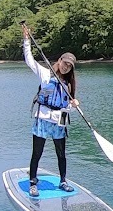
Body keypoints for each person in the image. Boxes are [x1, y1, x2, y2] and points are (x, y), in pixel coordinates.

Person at [22, 24, 79, 197]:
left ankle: (63, 181)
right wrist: (26, 40)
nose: (66, 67)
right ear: (59, 61)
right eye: (64, 64)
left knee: (61, 154)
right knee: (37, 153)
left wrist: (73, 105)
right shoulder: (46, 75)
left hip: (59, 122)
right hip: (42, 119)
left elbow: (66, 108)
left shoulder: (68, 85)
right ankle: (33, 182)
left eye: (69, 66)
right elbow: (29, 60)